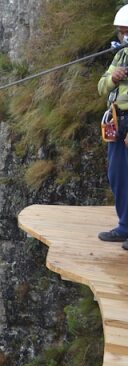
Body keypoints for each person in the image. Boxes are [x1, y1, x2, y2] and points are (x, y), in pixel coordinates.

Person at [98, 5, 128, 251]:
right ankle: (125, 227)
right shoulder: (119, 56)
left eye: (127, 31)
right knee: (117, 175)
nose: (124, 36)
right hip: (117, 120)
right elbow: (101, 87)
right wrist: (112, 78)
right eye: (121, 32)